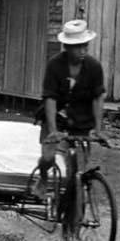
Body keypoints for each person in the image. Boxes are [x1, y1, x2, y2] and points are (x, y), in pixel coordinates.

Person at [32, 18, 106, 199]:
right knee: (48, 158)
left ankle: (73, 210)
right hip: (56, 118)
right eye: (77, 46)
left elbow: (98, 99)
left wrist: (98, 129)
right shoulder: (55, 65)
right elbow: (50, 98)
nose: (82, 50)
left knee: (78, 171)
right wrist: (53, 131)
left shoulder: (94, 67)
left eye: (84, 46)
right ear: (67, 47)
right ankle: (42, 178)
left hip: (81, 120)